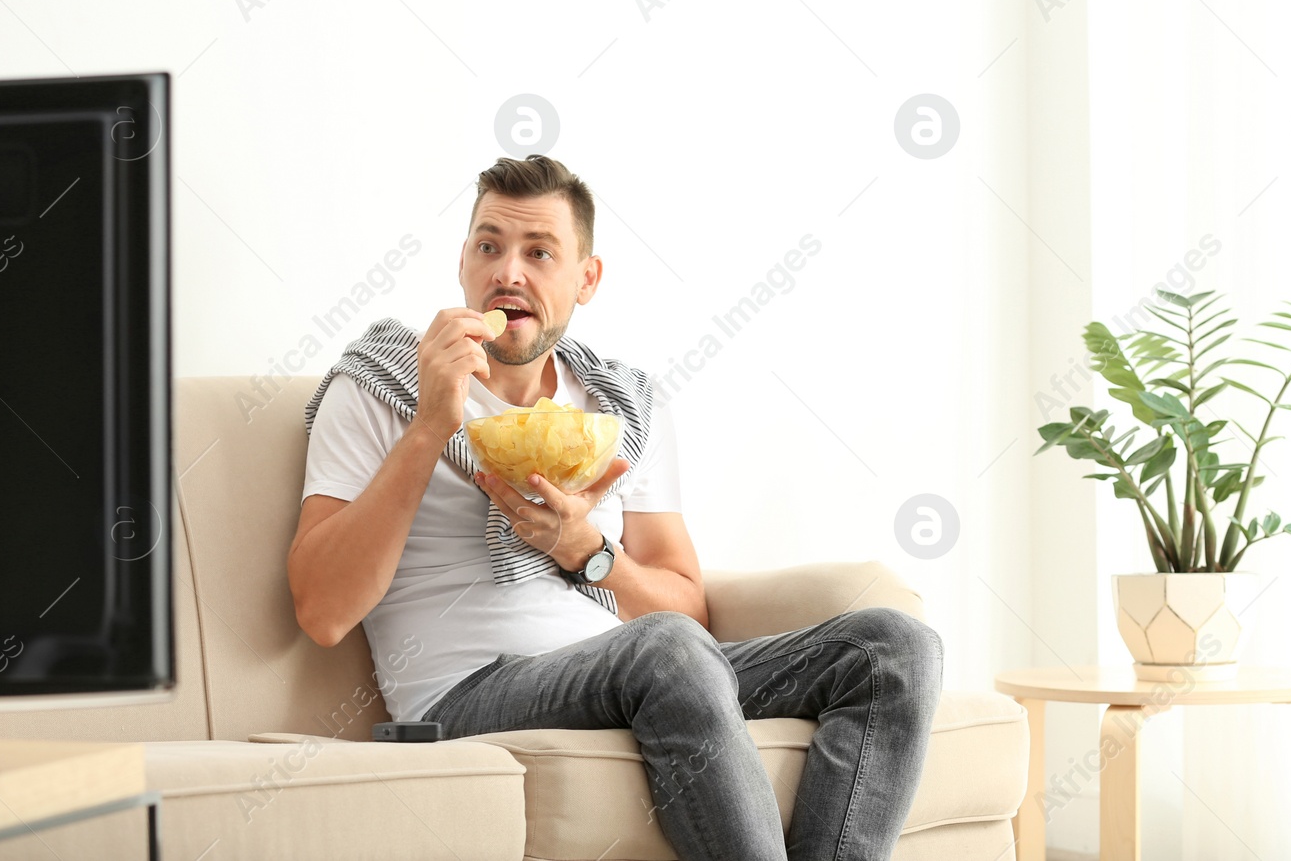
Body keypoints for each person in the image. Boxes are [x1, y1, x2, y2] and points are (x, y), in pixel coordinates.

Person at [286, 154, 943, 860]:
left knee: (895, 647)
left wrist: (586, 550)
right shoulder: (383, 384)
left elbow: (686, 608)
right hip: (465, 692)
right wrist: (428, 428)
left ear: (585, 279)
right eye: (489, 245)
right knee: (665, 650)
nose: (509, 271)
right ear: (463, 263)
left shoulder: (616, 407)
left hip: (631, 663)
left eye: (539, 252)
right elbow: (322, 611)